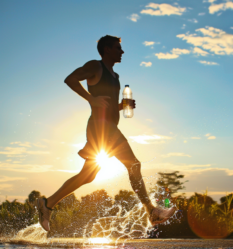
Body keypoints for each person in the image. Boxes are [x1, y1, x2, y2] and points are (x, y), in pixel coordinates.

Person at [37, 35, 176, 232]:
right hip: (101, 127)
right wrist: (90, 98)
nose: (122, 51)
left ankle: (47, 203)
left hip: (107, 127)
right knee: (133, 164)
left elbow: (107, 106)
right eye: (118, 48)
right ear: (107, 50)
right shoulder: (96, 66)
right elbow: (70, 79)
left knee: (87, 176)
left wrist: (120, 106)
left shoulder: (115, 76)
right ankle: (151, 211)